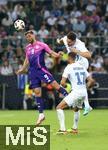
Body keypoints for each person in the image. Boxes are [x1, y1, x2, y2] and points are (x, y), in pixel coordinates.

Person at [16, 30, 68, 125]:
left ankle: (70, 97)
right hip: (32, 72)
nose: (28, 38)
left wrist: (58, 55)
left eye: (29, 36)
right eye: (26, 37)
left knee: (55, 86)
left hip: (41, 70)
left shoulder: (42, 45)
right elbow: (27, 59)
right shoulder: (27, 48)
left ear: (33, 35)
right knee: (37, 92)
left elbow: (51, 53)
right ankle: (41, 114)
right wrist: (22, 69)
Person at [56, 52, 95, 134]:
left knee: (59, 107)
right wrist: (85, 87)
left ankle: (62, 130)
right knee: (76, 109)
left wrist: (66, 86)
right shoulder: (82, 67)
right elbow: (91, 81)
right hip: (83, 92)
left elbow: (62, 83)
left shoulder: (68, 67)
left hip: (75, 92)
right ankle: (74, 128)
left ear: (69, 58)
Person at [57, 31, 92, 115]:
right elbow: (62, 40)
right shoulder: (66, 39)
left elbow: (89, 55)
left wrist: (77, 51)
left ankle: (87, 105)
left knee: (81, 84)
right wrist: (59, 41)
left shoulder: (80, 44)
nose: (68, 43)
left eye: (70, 42)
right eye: (67, 41)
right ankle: (84, 105)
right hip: (74, 62)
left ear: (74, 41)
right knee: (79, 85)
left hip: (82, 63)